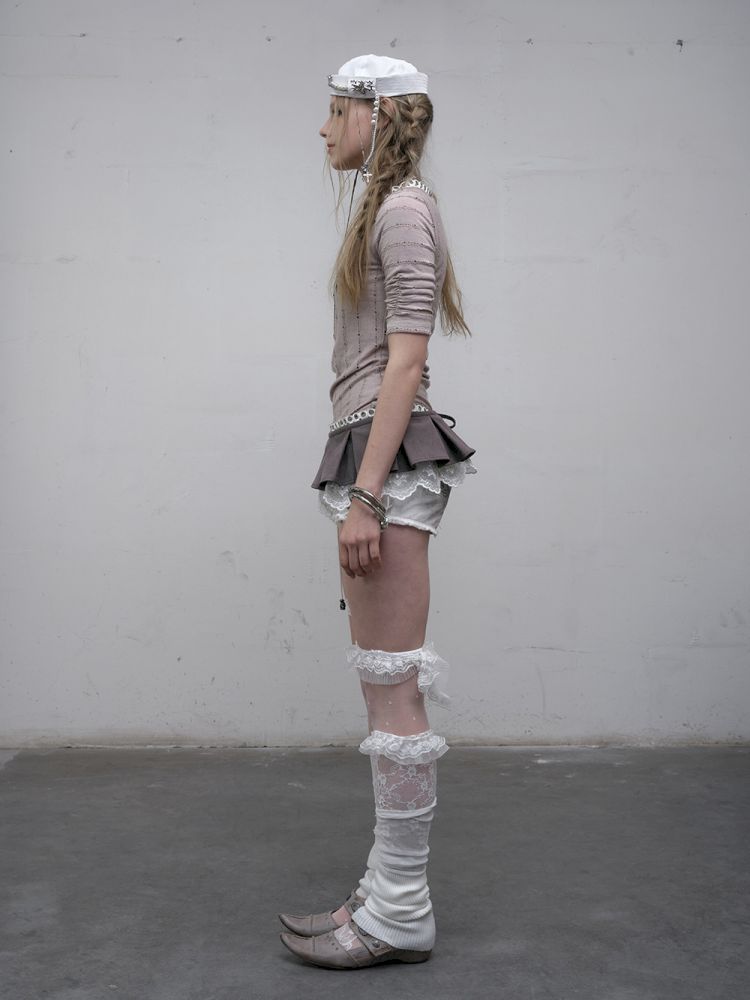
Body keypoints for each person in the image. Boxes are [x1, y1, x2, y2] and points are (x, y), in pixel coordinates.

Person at [278, 54, 477, 970]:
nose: (323, 128)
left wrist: (365, 493)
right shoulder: (388, 205)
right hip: (374, 457)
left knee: (393, 689)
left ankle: (400, 912)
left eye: (335, 110)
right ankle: (385, 890)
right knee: (382, 685)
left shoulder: (401, 210)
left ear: (377, 114)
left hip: (385, 466)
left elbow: (407, 360)